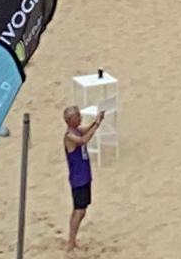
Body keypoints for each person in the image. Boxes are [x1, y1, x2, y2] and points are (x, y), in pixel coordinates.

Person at [64, 105, 105, 254]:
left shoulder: (77, 130)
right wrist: (96, 125)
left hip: (85, 176)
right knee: (78, 210)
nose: (80, 118)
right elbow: (84, 140)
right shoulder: (69, 136)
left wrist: (96, 122)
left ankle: (73, 241)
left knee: (82, 210)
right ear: (70, 120)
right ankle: (70, 244)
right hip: (78, 179)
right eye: (78, 116)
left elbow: (86, 130)